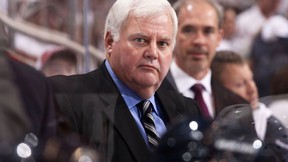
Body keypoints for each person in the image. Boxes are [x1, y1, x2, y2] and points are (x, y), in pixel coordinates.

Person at [49, 0, 201, 162]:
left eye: (163, 43)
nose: (153, 53)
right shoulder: (64, 97)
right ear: (109, 42)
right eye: (141, 40)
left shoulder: (188, 111)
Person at [162, 0, 223, 120]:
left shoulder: (234, 100)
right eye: (188, 30)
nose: (199, 41)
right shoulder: (150, 94)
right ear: (171, 33)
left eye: (208, 31)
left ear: (219, 37)